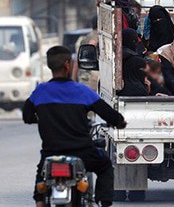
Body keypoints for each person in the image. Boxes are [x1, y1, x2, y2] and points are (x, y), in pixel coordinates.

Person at [23, 46, 126, 207]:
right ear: (67, 65)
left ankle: (39, 202)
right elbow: (111, 116)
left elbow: (27, 117)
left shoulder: (40, 92)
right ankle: (104, 203)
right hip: (82, 152)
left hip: (51, 152)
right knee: (105, 166)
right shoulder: (82, 91)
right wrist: (120, 122)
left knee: (41, 173)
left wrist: (44, 119)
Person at [72, 16, 99, 91]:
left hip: (83, 78)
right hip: (91, 79)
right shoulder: (97, 36)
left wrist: (73, 79)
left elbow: (76, 61)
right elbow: (91, 44)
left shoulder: (84, 38)